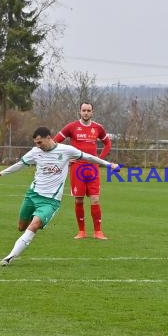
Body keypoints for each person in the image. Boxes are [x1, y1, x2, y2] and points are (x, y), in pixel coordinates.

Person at [0, 127, 119, 266]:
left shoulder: (66, 150)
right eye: (36, 143)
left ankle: (9, 258)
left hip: (50, 201)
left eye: (40, 142)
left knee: (34, 225)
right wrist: (1, 173)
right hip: (32, 195)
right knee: (21, 227)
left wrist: (108, 164)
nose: (38, 146)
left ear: (49, 138)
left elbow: (88, 156)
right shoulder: (35, 152)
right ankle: (33, 227)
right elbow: (20, 164)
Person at [53, 102, 112, 240]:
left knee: (95, 199)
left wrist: (99, 159)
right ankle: (81, 231)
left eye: (88, 110)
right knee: (79, 200)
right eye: (84, 110)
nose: (86, 113)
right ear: (80, 112)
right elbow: (55, 142)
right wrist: (65, 159)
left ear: (92, 112)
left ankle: (98, 232)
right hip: (77, 167)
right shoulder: (72, 127)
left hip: (92, 168)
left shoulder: (98, 128)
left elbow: (108, 143)